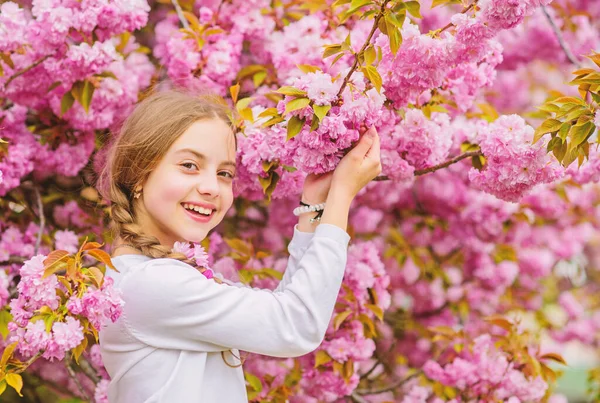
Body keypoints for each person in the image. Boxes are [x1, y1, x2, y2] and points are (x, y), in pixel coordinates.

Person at [98, 89, 381, 403]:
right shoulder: (149, 283)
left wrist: (315, 207)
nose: (210, 188)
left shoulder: (148, 276)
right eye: (189, 165)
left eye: (223, 173)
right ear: (139, 175)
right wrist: (341, 196)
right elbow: (296, 324)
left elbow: (284, 310)